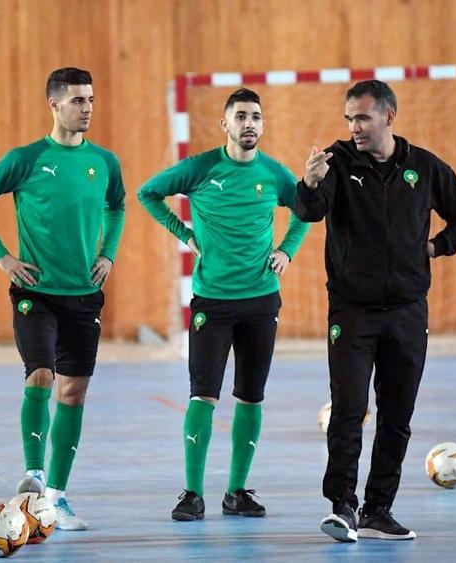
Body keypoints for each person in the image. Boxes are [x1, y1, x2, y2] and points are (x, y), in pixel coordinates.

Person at [295, 80, 456, 542]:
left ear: (389, 117)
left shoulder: (424, 167)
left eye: (362, 117)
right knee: (350, 409)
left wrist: (438, 246)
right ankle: (343, 506)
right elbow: (311, 211)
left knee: (397, 415)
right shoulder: (338, 162)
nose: (354, 127)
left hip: (407, 312)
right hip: (352, 312)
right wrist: (310, 183)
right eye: (349, 119)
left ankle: (380, 509)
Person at [0, 67, 125, 531]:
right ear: (53, 104)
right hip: (34, 293)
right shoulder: (26, 158)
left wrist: (108, 254)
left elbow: (118, 206)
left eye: (90, 99)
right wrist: (3, 258)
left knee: (73, 392)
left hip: (85, 296)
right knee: (40, 374)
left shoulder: (105, 163)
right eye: (77, 100)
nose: (87, 107)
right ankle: (32, 474)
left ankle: (57, 498)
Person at [138, 88, 310, 521]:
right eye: (240, 116)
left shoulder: (274, 174)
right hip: (211, 303)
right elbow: (148, 193)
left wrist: (287, 250)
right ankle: (192, 494)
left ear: (262, 125)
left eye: (255, 116)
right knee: (203, 396)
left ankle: (237, 491)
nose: (248, 123)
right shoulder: (200, 168)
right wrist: (184, 234)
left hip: (261, 301)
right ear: (225, 124)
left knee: (251, 398)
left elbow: (305, 210)